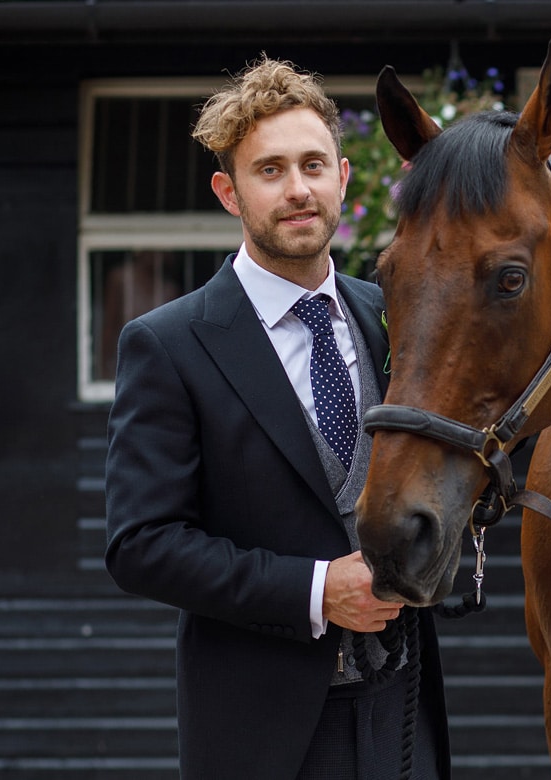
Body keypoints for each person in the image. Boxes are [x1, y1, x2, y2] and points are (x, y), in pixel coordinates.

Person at [104, 55, 451, 779]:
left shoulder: (395, 317)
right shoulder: (167, 345)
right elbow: (142, 543)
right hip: (263, 731)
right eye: (270, 171)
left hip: (403, 713)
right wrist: (319, 591)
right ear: (229, 193)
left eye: (314, 165)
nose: (298, 190)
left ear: (344, 180)